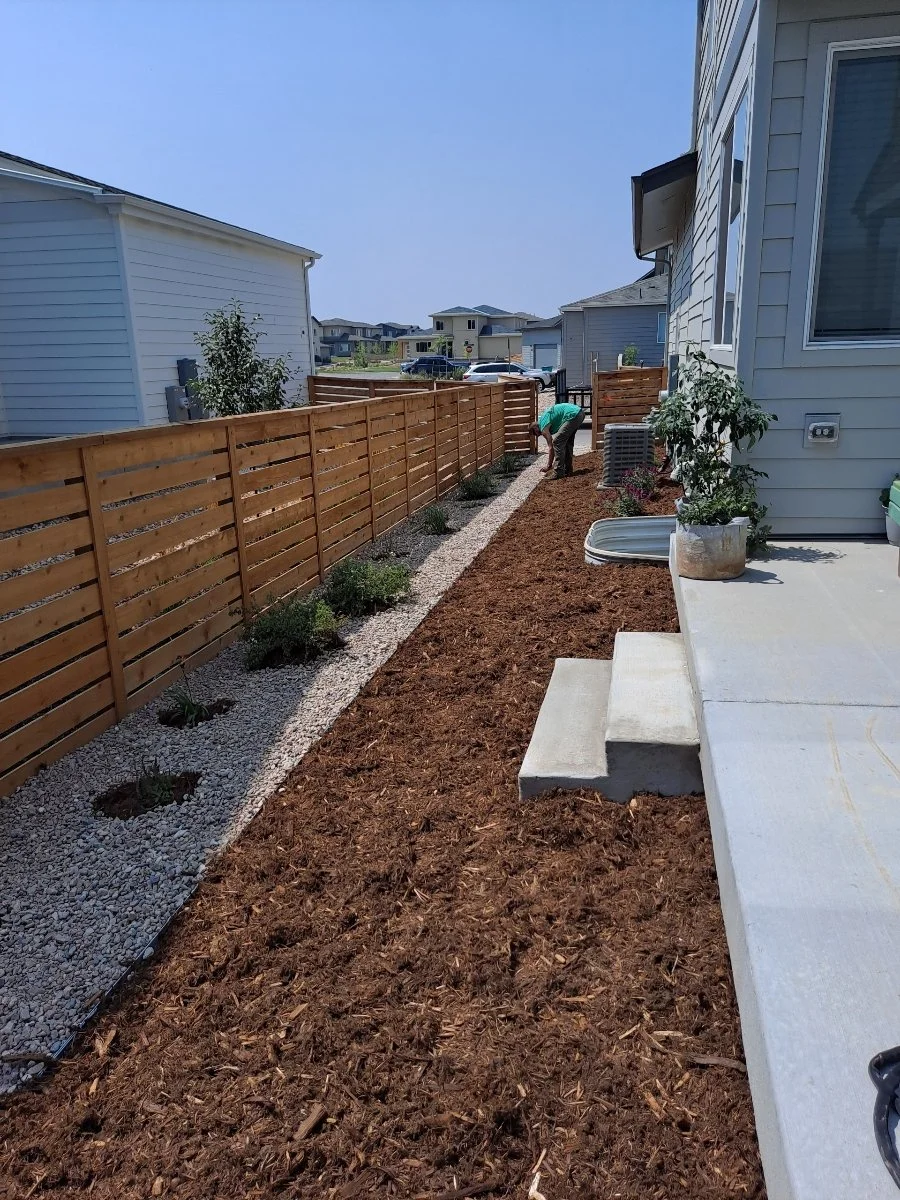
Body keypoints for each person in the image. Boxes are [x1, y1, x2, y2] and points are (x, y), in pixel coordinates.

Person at [529, 402, 586, 478]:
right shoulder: (542, 419)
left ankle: (558, 471)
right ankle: (567, 470)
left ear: (535, 428)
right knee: (567, 443)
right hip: (579, 413)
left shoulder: (543, 427)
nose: (538, 436)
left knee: (557, 442)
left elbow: (551, 447)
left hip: (572, 415)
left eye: (535, 434)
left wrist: (548, 466)